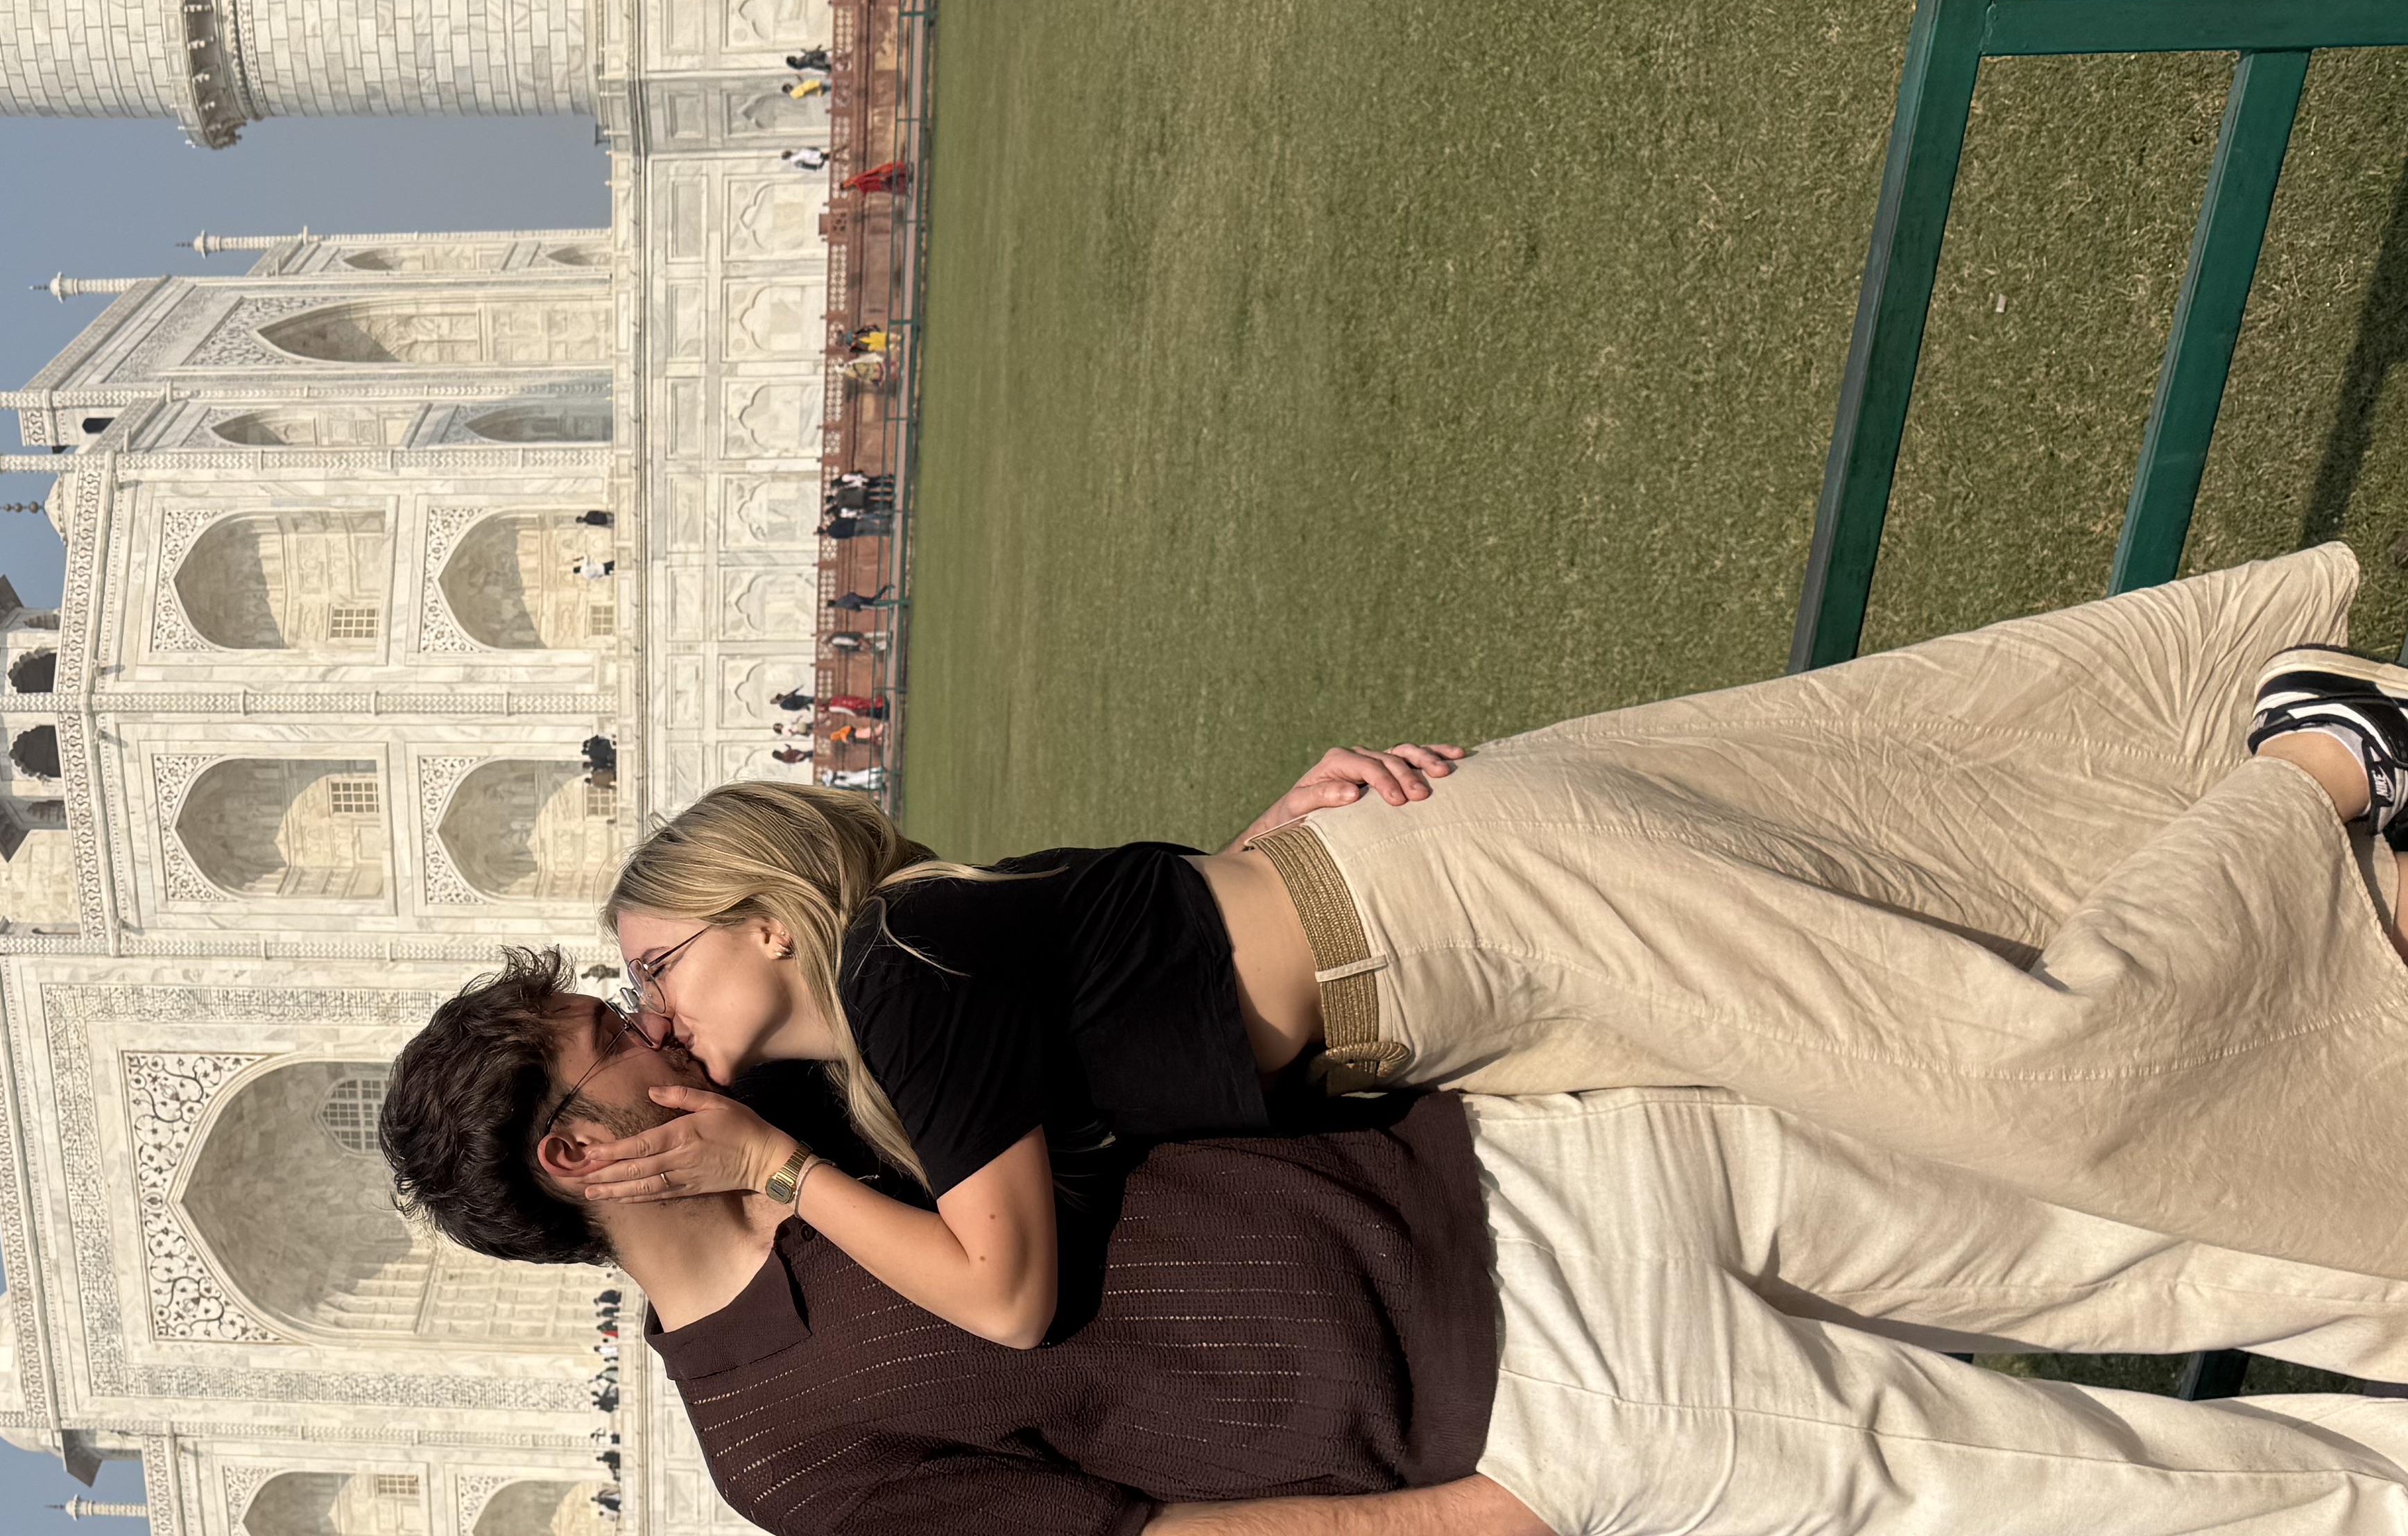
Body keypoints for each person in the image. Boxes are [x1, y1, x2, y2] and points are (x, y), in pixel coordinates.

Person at [574, 553, 2408, 1337]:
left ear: (758, 914)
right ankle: (2342, 865)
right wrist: (1279, 830)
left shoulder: (901, 972)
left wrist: (769, 1173)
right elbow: (1171, 958)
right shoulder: (933, 937)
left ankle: (2320, 755)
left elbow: (1003, 1290)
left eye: (661, 964)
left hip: (1477, 913)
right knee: (1949, 877)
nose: (658, 1007)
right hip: (1450, 934)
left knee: (2001, 1061)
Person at [373, 948, 2408, 1536]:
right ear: (583, 1154)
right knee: (2135, 1497)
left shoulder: (828, 1070)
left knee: (2147, 1221)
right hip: (1543, 1407)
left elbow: (1103, 978)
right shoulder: (778, 1440)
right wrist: (1490, 1512)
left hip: (1547, 1157)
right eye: (609, 1041)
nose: (656, 1029)